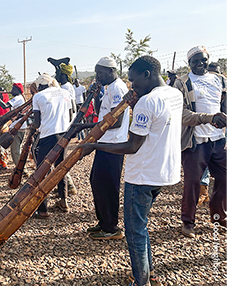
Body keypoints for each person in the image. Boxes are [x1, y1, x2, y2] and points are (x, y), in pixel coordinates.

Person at [79, 55, 181, 286]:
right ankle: (149, 273)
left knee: (135, 231)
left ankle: (141, 280)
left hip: (143, 175)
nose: (132, 86)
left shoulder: (148, 101)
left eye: (134, 81)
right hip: (165, 172)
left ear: (147, 75)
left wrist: (94, 145)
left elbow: (132, 145)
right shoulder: (174, 94)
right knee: (141, 226)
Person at [173, 46, 227, 238]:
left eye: (203, 59)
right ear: (189, 63)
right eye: (195, 60)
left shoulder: (219, 80)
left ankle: (218, 214)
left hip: (218, 140)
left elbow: (224, 103)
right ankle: (188, 221)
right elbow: (182, 114)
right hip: (196, 141)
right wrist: (209, 118)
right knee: (193, 183)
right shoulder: (182, 83)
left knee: (224, 177)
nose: (200, 63)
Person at [75, 57, 130, 240]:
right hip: (105, 142)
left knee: (107, 185)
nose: (98, 77)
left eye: (100, 73)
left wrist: (86, 127)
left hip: (113, 144)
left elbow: (116, 121)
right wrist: (97, 96)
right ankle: (104, 221)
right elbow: (102, 114)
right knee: (97, 182)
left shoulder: (118, 89)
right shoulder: (109, 88)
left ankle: (112, 227)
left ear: (111, 71)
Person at [30, 73, 75, 218]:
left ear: (39, 85)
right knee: (60, 168)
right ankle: (64, 201)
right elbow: (70, 115)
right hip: (63, 135)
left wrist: (31, 133)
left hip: (47, 136)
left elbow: (37, 122)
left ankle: (43, 209)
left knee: (42, 170)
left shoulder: (38, 96)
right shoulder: (64, 92)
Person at [8, 84, 28, 164]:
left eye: (13, 89)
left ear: (18, 90)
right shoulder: (19, 98)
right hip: (17, 127)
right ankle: (20, 168)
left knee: (15, 151)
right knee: (15, 150)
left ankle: (21, 169)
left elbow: (5, 106)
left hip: (18, 128)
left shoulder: (18, 98)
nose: (11, 91)